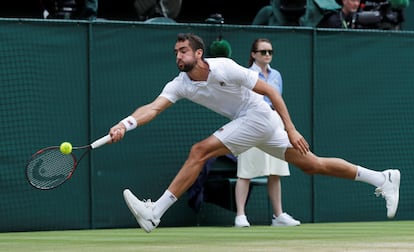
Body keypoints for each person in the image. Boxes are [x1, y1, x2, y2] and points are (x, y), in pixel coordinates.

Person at [108, 32, 400, 233]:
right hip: (255, 122)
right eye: (176, 52)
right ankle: (382, 178)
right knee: (313, 165)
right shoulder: (180, 83)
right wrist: (125, 124)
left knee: (199, 151)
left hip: (259, 115)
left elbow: (270, 89)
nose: (178, 56)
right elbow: (153, 108)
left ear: (198, 53)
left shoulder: (224, 68)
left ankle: (155, 213)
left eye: (183, 51)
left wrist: (291, 127)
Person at [234, 38, 300, 228]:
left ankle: (278, 215)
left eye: (270, 51)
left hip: (274, 122)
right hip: (251, 121)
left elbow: (278, 101)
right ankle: (240, 215)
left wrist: (286, 125)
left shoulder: (277, 75)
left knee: (276, 171)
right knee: (245, 171)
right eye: (263, 52)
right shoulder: (246, 74)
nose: (267, 55)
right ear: (253, 54)